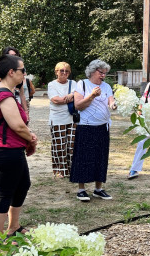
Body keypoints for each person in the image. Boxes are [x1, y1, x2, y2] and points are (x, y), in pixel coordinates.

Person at [0, 54, 37, 240]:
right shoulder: (3, 94)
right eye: (22, 70)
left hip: (12, 148)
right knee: (5, 192)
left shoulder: (7, 92)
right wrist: (31, 138)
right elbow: (17, 125)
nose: (24, 74)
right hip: (5, 150)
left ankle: (13, 227)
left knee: (23, 185)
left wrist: (27, 138)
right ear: (11, 72)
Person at [71, 60, 116, 201]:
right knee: (83, 157)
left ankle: (98, 189)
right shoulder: (82, 84)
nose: (103, 75)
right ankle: (81, 190)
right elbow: (78, 105)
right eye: (100, 72)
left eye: (105, 73)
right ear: (92, 71)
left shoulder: (107, 86)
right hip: (86, 126)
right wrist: (91, 96)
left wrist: (114, 104)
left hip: (103, 126)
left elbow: (111, 100)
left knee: (100, 157)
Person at [47, 62, 76, 178]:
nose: (64, 73)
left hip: (71, 117)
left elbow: (77, 95)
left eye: (67, 71)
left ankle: (71, 169)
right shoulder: (52, 84)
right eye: (61, 71)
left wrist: (71, 96)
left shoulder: (73, 83)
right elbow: (55, 100)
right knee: (59, 145)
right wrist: (69, 97)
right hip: (57, 118)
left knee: (72, 145)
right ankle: (61, 170)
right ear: (56, 72)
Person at [1, 47, 29, 118]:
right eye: (11, 55)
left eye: (15, 55)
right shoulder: (1, 71)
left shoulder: (20, 70)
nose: (14, 57)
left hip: (18, 103)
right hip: (7, 104)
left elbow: (22, 94)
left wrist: (26, 111)